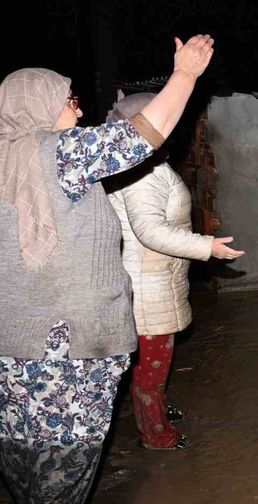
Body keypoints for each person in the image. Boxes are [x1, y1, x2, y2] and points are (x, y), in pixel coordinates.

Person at [0, 34, 214, 503]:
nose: (77, 111)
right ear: (38, 105)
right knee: (64, 474)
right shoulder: (57, 154)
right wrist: (185, 75)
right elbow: (141, 134)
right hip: (66, 351)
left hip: (12, 350)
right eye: (69, 101)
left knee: (24, 464)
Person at [104, 92, 244, 451]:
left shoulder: (146, 164)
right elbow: (148, 231)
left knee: (154, 364)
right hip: (146, 288)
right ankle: (156, 436)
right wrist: (205, 247)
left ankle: (156, 413)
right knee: (151, 367)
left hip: (155, 281)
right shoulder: (141, 173)